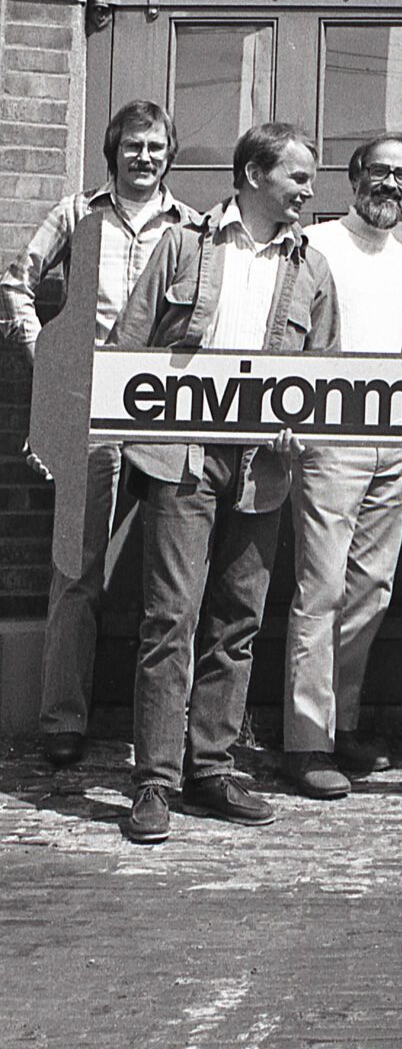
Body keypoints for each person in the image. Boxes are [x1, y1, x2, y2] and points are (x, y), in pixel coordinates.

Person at [108, 123, 340, 844]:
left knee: (238, 619)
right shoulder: (184, 244)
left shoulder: (313, 268)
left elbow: (325, 374)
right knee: (168, 616)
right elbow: (127, 348)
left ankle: (212, 768)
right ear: (251, 174)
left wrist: (302, 425)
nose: (308, 192)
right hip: (182, 453)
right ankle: (154, 781)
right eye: (296, 178)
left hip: (261, 464)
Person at [0, 99, 198, 768]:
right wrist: (47, 357)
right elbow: (16, 283)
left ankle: (166, 736)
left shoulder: (190, 227)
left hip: (163, 418)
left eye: (156, 146)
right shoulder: (75, 214)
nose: (145, 157)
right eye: (134, 145)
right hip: (88, 413)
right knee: (74, 571)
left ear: (170, 153)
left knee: (168, 580)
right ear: (113, 150)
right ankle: (62, 721)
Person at [281, 136, 402, 800]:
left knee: (371, 590)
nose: (389, 184)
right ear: (354, 177)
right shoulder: (315, 244)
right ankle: (306, 743)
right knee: (322, 588)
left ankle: (344, 724)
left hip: (392, 441)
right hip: (330, 439)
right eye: (379, 172)